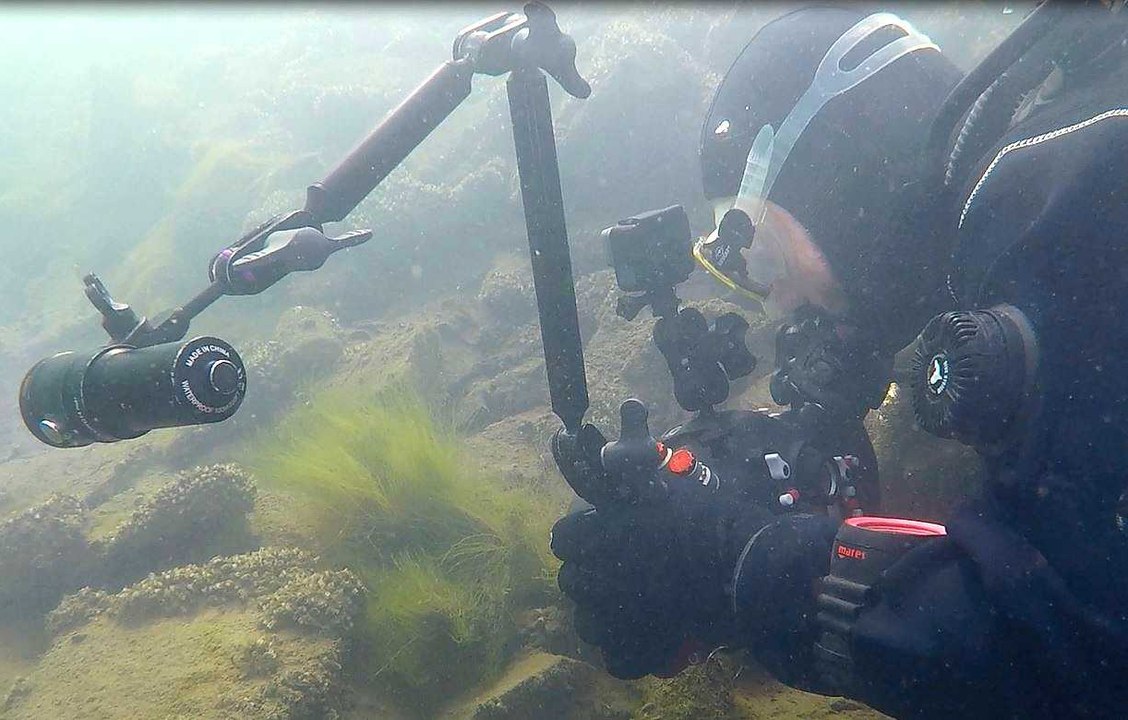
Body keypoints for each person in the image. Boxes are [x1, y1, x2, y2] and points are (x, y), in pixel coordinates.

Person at [550, 3, 1128, 719]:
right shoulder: (1070, 159)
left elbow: (1075, 649)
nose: (779, 303)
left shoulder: (1059, 206)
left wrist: (742, 558)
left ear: (841, 182)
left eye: (763, 254)